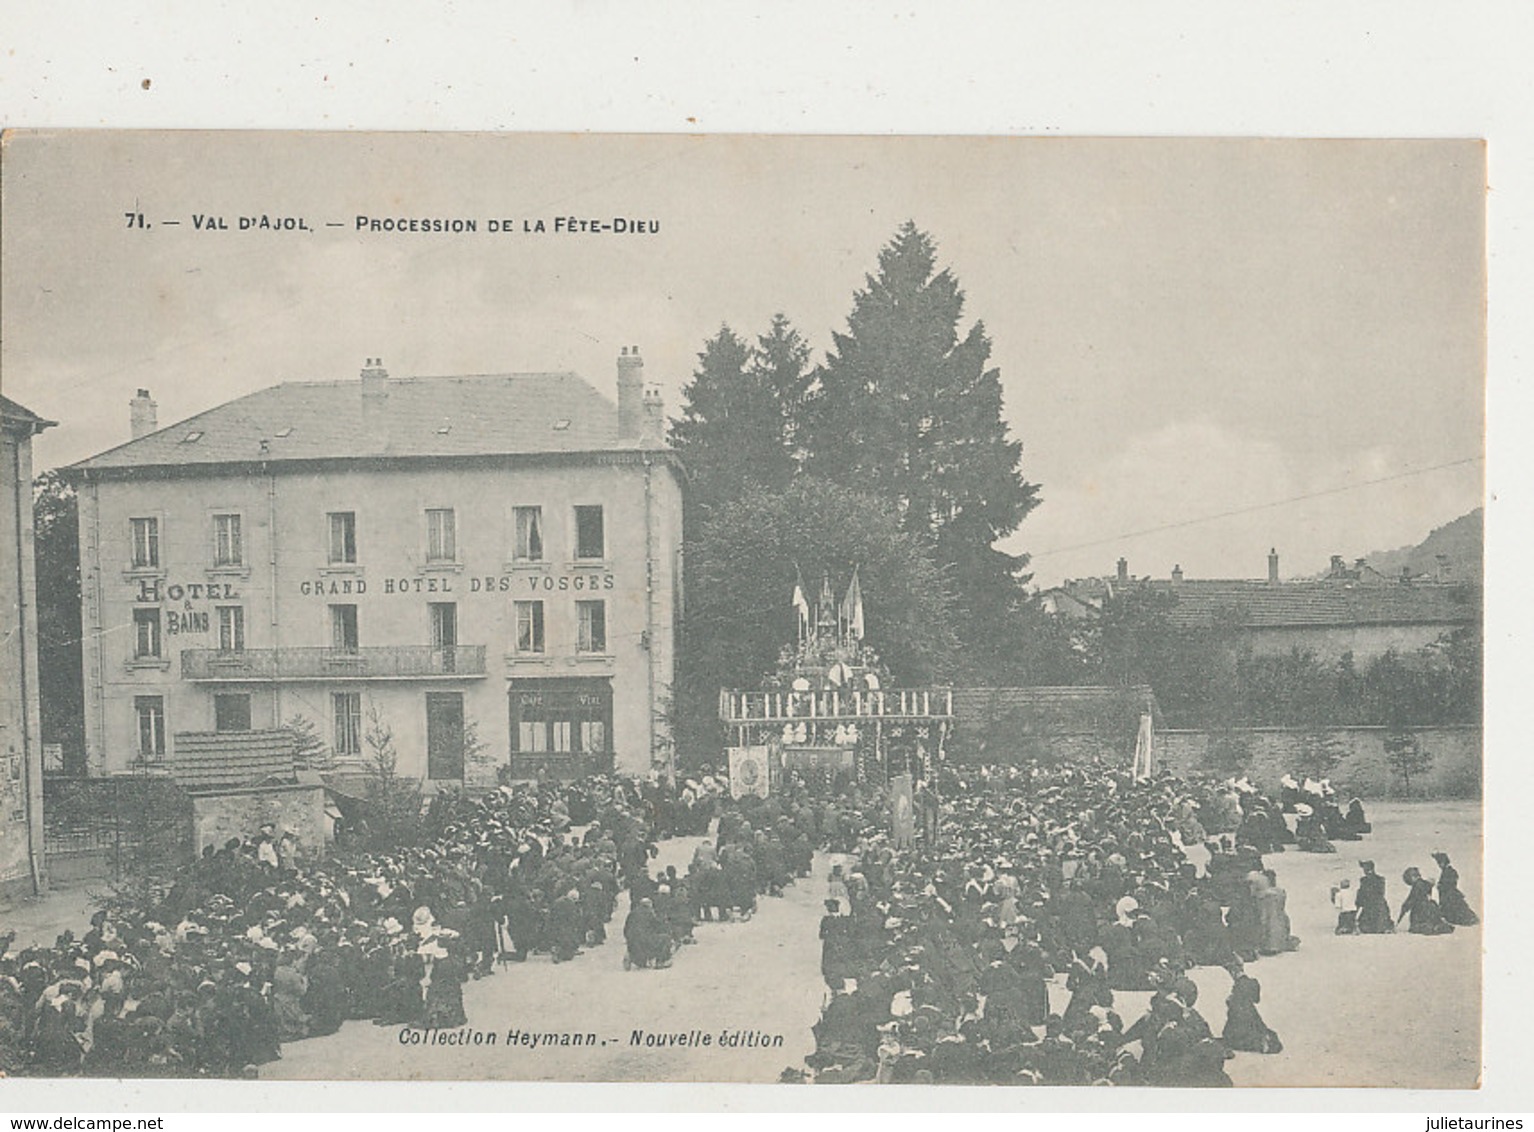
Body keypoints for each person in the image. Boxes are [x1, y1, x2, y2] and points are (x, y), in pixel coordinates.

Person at [1221, 967, 1282, 1054]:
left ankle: (1261, 1042)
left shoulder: (1239, 1005)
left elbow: (1231, 1035)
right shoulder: (1246, 1005)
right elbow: (1256, 998)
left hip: (1240, 1032)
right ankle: (1264, 1041)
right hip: (1246, 1025)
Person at [1398, 867, 1454, 935]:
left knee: (1415, 927)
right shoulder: (1426, 884)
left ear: (1413, 877)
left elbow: (1411, 899)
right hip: (1431, 908)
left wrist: (1404, 907)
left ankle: (1430, 928)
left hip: (1420, 910)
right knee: (1433, 920)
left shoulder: (1417, 886)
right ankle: (1439, 925)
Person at [1431, 852, 1478, 926]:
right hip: (1447, 894)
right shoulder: (1446, 871)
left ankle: (1468, 920)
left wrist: (1441, 886)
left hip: (1450, 894)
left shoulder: (1450, 871)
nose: (1439, 865)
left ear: (1445, 862)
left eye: (1440, 863)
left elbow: (1451, 882)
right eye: (1439, 863)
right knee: (1452, 909)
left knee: (1457, 908)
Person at [1355, 861, 1393, 934]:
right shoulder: (1380, 879)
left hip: (1370, 906)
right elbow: (1381, 893)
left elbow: (1362, 894)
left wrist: (1358, 904)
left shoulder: (1364, 880)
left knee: (1366, 926)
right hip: (1380, 906)